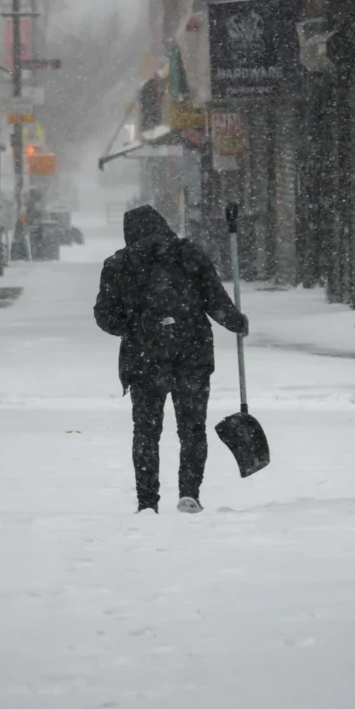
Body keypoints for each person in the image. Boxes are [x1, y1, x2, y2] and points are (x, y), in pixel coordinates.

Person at [94, 205, 248, 514]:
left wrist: (133, 326)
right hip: (191, 355)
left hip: (144, 360)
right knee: (192, 429)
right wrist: (236, 321)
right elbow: (215, 300)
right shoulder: (189, 255)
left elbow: (104, 316)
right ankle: (189, 493)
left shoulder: (119, 265)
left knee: (146, 433)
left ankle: (147, 502)